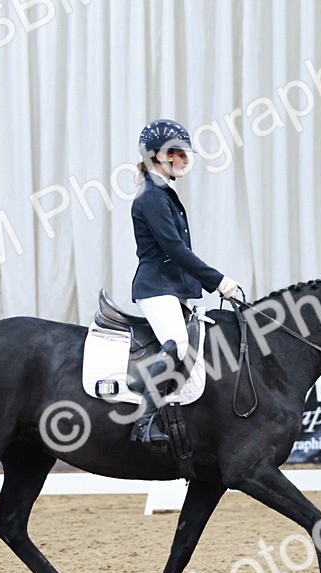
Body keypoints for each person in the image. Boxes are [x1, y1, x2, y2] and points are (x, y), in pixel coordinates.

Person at [130, 118, 242, 450]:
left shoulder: (164, 194)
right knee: (177, 344)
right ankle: (144, 420)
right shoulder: (151, 197)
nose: (184, 159)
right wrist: (218, 281)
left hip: (172, 288)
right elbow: (175, 250)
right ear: (159, 156)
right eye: (178, 153)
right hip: (155, 289)